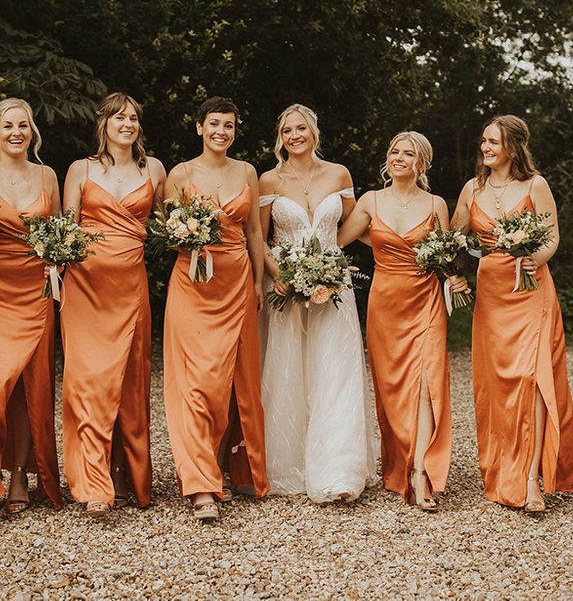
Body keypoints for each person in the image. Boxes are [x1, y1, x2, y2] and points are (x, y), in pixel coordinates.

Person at [452, 114, 573, 512]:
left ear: (513, 147)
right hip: (492, 291)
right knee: (499, 384)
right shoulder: (472, 188)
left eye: (493, 142)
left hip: (531, 290)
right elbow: (457, 239)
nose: (485, 148)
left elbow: (552, 234)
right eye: (484, 141)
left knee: (533, 378)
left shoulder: (535, 185)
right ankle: (504, 465)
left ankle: (530, 479)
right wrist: (456, 275)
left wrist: (534, 257)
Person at [338, 131, 466, 510]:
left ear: (421, 164)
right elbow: (342, 238)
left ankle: (421, 472)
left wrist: (456, 275)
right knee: (392, 388)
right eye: (394, 150)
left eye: (408, 154)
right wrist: (383, 243)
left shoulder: (436, 203)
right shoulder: (371, 200)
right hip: (385, 303)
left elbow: (447, 253)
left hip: (425, 299)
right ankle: (400, 461)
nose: (398, 157)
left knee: (427, 383)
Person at [258, 103, 376, 502]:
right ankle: (288, 466)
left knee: (335, 371)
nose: (295, 135)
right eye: (288, 129)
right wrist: (282, 276)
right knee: (288, 370)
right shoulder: (268, 180)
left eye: (301, 128)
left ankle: (338, 468)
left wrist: (400, 249)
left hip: (334, 286)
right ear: (281, 136)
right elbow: (258, 239)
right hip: (286, 289)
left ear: (313, 132)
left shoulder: (338, 174)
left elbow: (352, 227)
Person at [61, 93, 166, 518]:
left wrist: (191, 229)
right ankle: (94, 484)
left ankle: (125, 474)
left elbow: (164, 226)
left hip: (130, 286)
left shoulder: (153, 169)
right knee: (87, 381)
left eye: (134, 117)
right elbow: (66, 229)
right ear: (103, 123)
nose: (127, 123)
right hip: (85, 288)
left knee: (129, 379)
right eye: (119, 117)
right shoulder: (80, 169)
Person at [163, 96, 269, 520]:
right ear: (199, 128)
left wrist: (261, 280)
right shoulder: (179, 174)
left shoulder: (247, 172)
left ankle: (224, 466)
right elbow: (168, 234)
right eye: (214, 124)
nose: (221, 131)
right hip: (192, 285)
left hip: (237, 281)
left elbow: (255, 231)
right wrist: (190, 235)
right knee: (197, 382)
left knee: (229, 381)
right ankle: (201, 485)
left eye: (229, 125)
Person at [0, 97, 63, 513]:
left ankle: (21, 474)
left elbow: (58, 235)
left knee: (29, 387)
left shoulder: (47, 175)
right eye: (7, 126)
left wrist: (56, 269)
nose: (15, 133)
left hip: (37, 289)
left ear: (32, 130)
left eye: (22, 125)